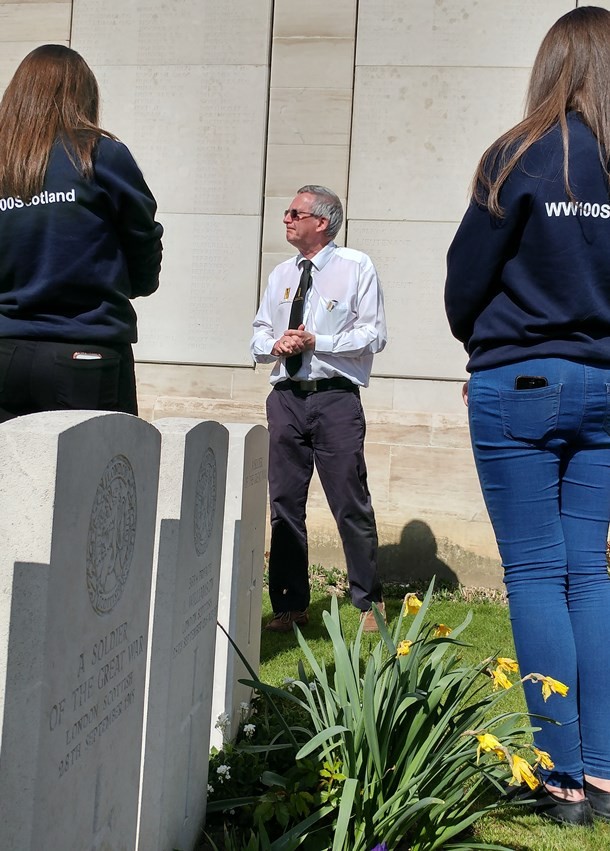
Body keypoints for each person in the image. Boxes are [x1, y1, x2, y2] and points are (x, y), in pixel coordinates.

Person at [445, 6, 610, 827]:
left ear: (554, 65)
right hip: (606, 387)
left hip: (521, 381)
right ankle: (605, 772)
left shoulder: (517, 156)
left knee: (540, 575)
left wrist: (480, 345)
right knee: (593, 574)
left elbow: (464, 279)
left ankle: (561, 778)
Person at [0, 44, 162, 420]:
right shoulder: (99, 154)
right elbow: (142, 238)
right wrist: (132, 283)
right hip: (85, 348)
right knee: (98, 476)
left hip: (5, 347)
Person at [250, 184, 387, 632]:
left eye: (295, 212)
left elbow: (374, 335)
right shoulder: (280, 274)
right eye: (286, 212)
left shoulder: (355, 267)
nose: (286, 219)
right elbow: (258, 332)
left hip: (335, 399)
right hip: (286, 398)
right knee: (284, 503)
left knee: (349, 501)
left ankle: (368, 601)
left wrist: (317, 342)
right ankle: (290, 605)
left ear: (321, 222)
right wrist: (277, 342)